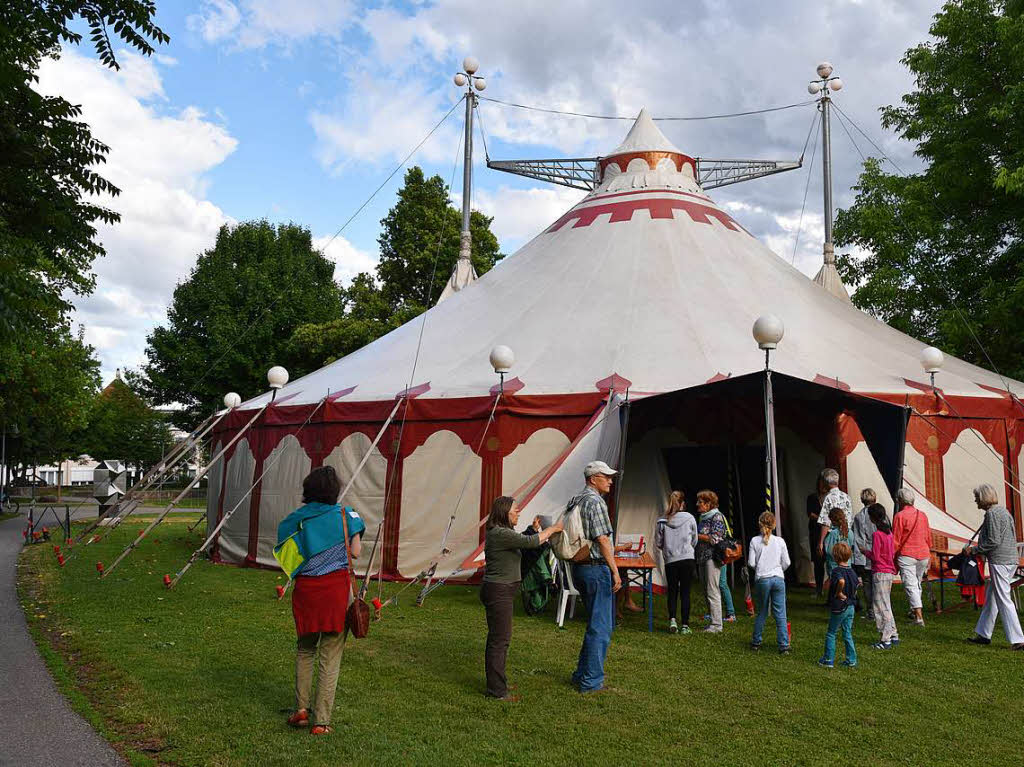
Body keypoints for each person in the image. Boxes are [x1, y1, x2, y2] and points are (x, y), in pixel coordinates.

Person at [278, 466, 365, 735]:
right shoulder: (346, 515)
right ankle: (321, 722)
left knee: (305, 650)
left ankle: (301, 710)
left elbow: (287, 557)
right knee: (331, 653)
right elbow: (356, 553)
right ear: (335, 490)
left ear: (308, 490)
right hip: (336, 592)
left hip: (307, 591)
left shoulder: (294, 520)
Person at [481, 496, 563, 701]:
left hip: (500, 590)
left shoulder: (503, 533)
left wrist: (534, 529)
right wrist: (552, 529)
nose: (518, 512)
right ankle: (497, 690)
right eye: (515, 510)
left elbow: (523, 542)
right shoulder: (500, 533)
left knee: (499, 639)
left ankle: (498, 684)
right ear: (504, 513)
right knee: (500, 641)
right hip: (499, 591)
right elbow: (529, 542)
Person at [570, 460, 622, 693]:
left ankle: (581, 674)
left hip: (579, 567)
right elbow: (602, 539)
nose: (610, 480)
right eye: (606, 476)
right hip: (595, 567)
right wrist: (615, 570)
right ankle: (591, 681)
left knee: (594, 623)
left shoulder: (576, 500)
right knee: (601, 626)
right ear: (593, 479)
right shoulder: (596, 502)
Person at [965, 484, 1024, 650]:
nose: (976, 500)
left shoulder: (992, 514)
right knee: (992, 597)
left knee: (1003, 599)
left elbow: (993, 541)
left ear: (983, 498)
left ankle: (1018, 639)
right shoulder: (1004, 511)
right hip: (1010, 559)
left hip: (1000, 560)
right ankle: (983, 634)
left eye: (977, 497)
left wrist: (974, 550)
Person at [654, 490, 697, 634]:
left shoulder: (662, 520)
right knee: (685, 592)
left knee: (672, 591)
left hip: (670, 560)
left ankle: (672, 619)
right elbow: (694, 539)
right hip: (687, 558)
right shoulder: (690, 518)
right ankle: (685, 625)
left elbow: (658, 542)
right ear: (683, 503)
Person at [748, 511, 791, 654]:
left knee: (762, 611)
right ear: (774, 525)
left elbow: (751, 563)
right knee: (781, 613)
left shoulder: (754, 541)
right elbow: (787, 562)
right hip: (778, 578)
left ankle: (756, 641)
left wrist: (761, 569)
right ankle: (784, 645)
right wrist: (779, 570)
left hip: (762, 578)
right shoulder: (780, 541)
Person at [892, 487, 932, 627]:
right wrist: (930, 554)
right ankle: (914, 611)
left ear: (900, 500)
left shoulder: (899, 516)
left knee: (911, 585)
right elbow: (928, 536)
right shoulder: (923, 515)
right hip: (923, 553)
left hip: (907, 554)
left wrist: (892, 556)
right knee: (917, 583)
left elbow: (896, 540)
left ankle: (919, 617)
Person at [862, 503, 899, 650]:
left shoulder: (877, 535)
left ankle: (886, 638)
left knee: (880, 606)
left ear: (872, 518)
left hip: (880, 572)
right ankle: (894, 634)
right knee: (886, 604)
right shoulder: (889, 533)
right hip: (888, 572)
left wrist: (865, 551)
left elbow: (876, 557)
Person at [819, 541, 859, 668]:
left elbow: (841, 581)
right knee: (847, 632)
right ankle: (851, 659)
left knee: (831, 632)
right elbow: (857, 585)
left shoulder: (837, 571)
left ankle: (828, 659)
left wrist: (839, 593)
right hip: (851, 605)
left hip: (840, 606)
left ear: (835, 556)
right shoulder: (852, 571)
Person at [695, 489, 727, 634]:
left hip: (712, 558)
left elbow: (716, 538)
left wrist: (696, 536)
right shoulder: (703, 517)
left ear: (708, 504)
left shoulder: (717, 517)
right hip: (702, 557)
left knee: (712, 589)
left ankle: (717, 625)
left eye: (700, 502)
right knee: (705, 589)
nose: (697, 505)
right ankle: (712, 622)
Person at [815, 469, 853, 565]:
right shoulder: (846, 496)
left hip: (833, 536)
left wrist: (821, 542)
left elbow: (826, 522)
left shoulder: (828, 497)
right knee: (846, 562)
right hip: (846, 534)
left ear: (826, 483)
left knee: (834, 564)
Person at [851, 489, 877, 620]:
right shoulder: (880, 513)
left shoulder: (858, 516)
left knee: (867, 582)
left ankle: (871, 611)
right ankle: (879, 609)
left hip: (864, 553)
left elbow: (856, 536)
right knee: (878, 582)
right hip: (878, 552)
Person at [806, 476, 829, 595]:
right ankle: (819, 589)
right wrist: (823, 519)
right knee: (818, 561)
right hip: (815, 532)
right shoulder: (812, 497)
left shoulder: (831, 498)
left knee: (830, 560)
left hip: (829, 533)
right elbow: (810, 514)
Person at [823, 507, 857, 579]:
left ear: (833, 520)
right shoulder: (850, 532)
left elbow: (829, 551)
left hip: (834, 566)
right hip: (847, 565)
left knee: (837, 587)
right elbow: (851, 546)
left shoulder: (833, 533)